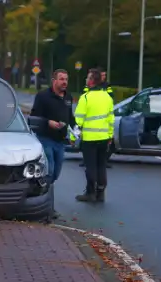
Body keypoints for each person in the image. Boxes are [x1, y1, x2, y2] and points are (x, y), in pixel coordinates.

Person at [30, 69, 75, 218]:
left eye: (66, 79)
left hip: (60, 141)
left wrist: (75, 131)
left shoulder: (68, 97)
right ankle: (47, 209)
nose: (64, 82)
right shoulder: (43, 96)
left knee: (55, 174)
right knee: (49, 172)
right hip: (46, 138)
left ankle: (43, 200)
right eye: (61, 79)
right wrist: (48, 122)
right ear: (54, 81)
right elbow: (34, 117)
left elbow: (70, 117)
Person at [71, 68, 114, 202]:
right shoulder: (107, 97)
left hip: (89, 139)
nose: (86, 80)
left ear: (91, 81)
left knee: (90, 166)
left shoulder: (85, 98)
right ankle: (101, 193)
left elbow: (78, 120)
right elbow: (110, 119)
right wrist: (110, 136)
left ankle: (90, 192)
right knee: (101, 165)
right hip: (103, 138)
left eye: (87, 78)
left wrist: (73, 137)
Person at [79, 68, 114, 168]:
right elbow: (85, 92)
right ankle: (85, 161)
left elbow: (111, 95)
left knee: (97, 163)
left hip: (96, 133)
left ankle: (93, 182)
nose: (104, 77)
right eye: (102, 75)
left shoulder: (107, 86)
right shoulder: (87, 93)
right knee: (94, 162)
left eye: (104, 75)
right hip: (94, 132)